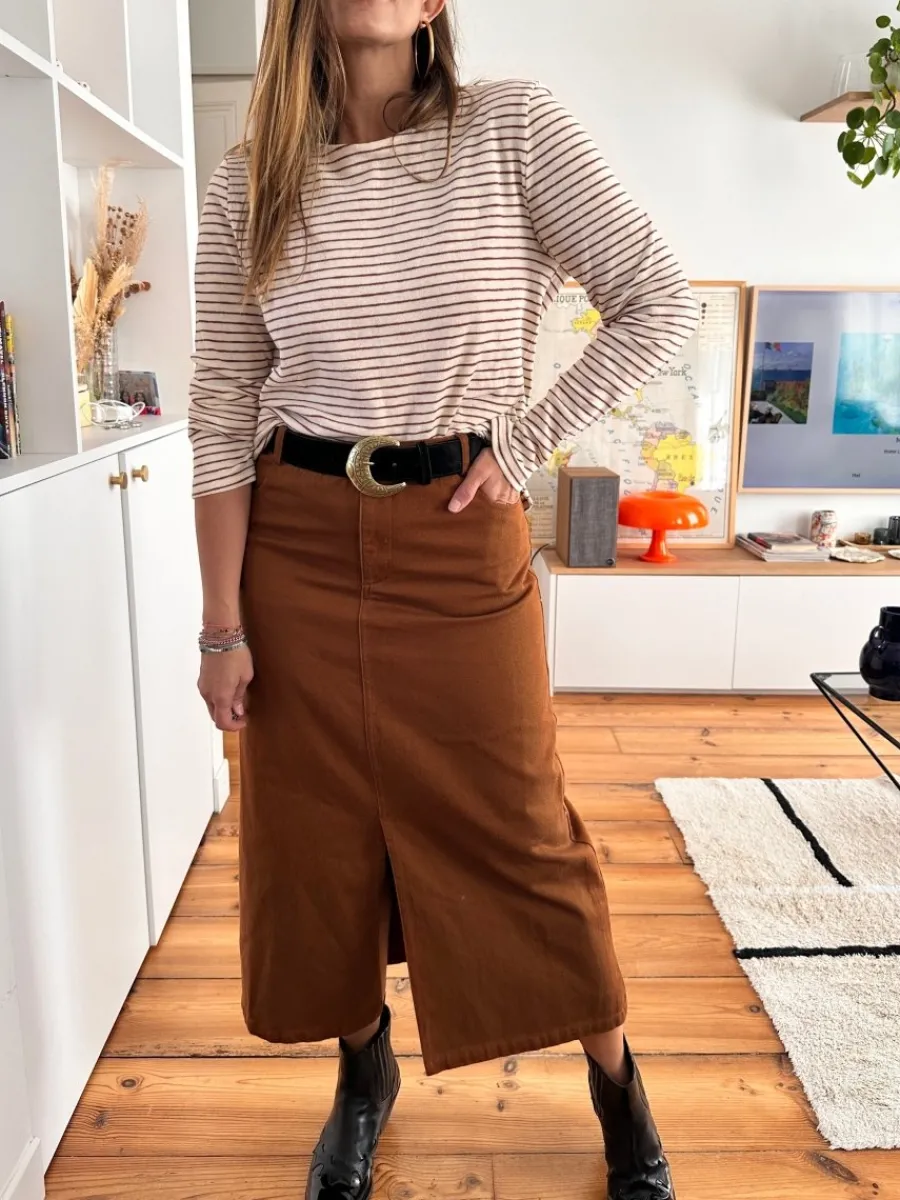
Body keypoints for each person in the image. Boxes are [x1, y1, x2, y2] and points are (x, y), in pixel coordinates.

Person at [188, 2, 699, 1197]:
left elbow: (657, 298)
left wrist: (521, 444)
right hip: (296, 546)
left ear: (433, 5)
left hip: (460, 537)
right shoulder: (248, 178)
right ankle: (363, 1069)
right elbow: (219, 408)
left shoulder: (510, 129)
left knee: (520, 826)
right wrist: (221, 626)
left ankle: (618, 1082)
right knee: (313, 840)